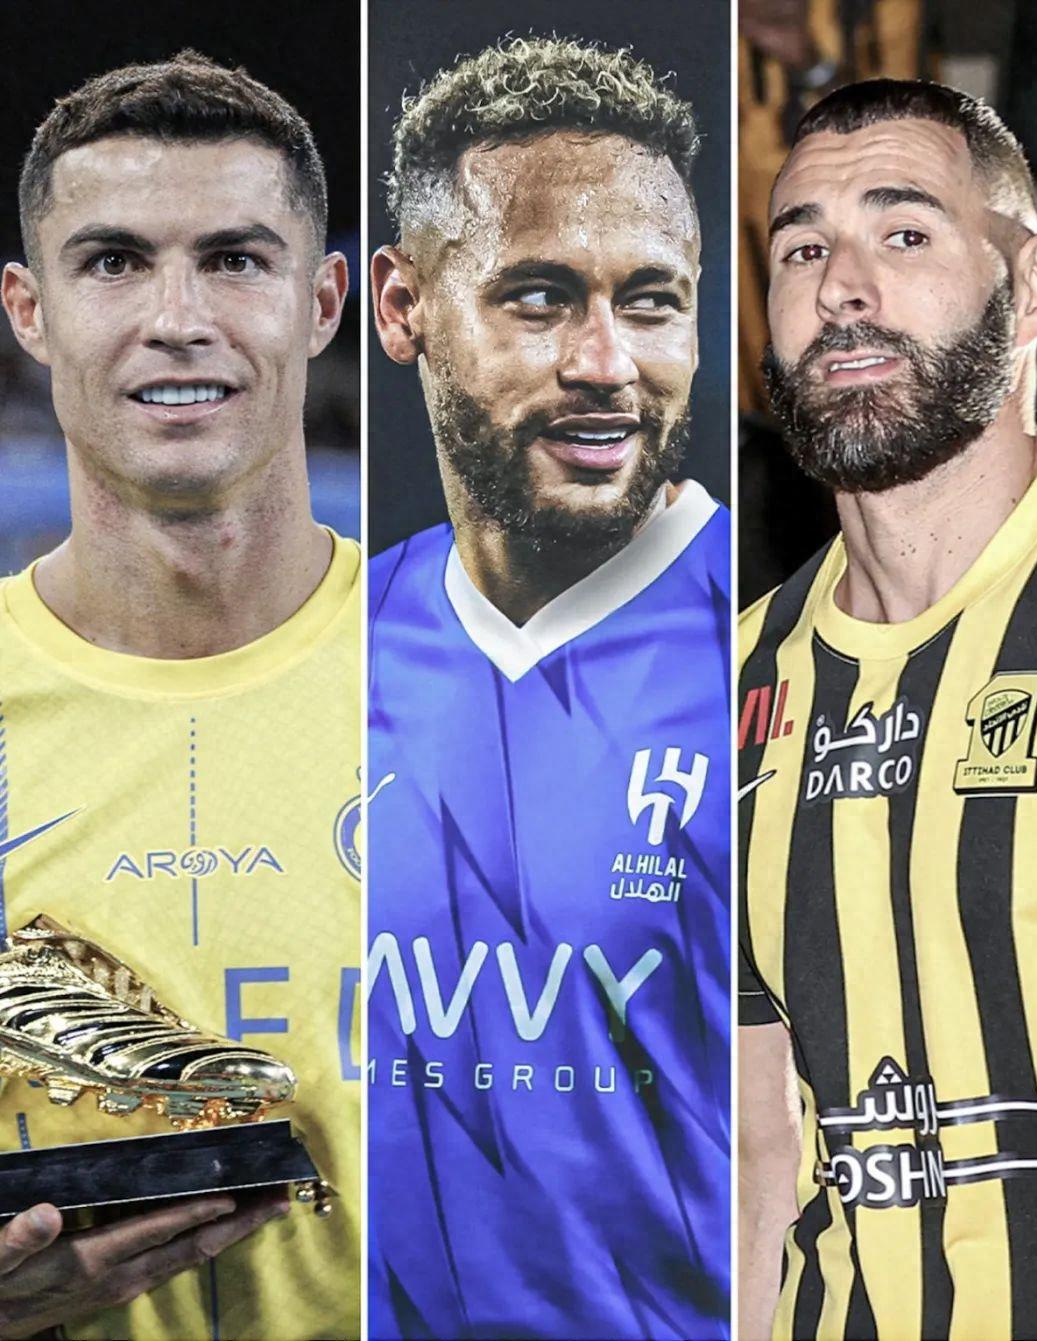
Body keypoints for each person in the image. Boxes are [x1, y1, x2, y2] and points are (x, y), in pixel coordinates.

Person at [368, 36, 730, 1341]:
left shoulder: (774, 645)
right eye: (538, 298)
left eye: (652, 301)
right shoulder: (336, 640)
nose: (606, 362)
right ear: (403, 307)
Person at [0, 51, 359, 1340]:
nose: (177, 319)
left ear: (322, 301)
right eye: (112, 262)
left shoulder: (485, 683)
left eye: (235, 260)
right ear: (29, 311)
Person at [739, 79, 1037, 1341]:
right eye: (803, 249)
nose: (843, 287)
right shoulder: (726, 690)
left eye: (905, 233)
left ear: (1036, 283)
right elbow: (759, 1157)